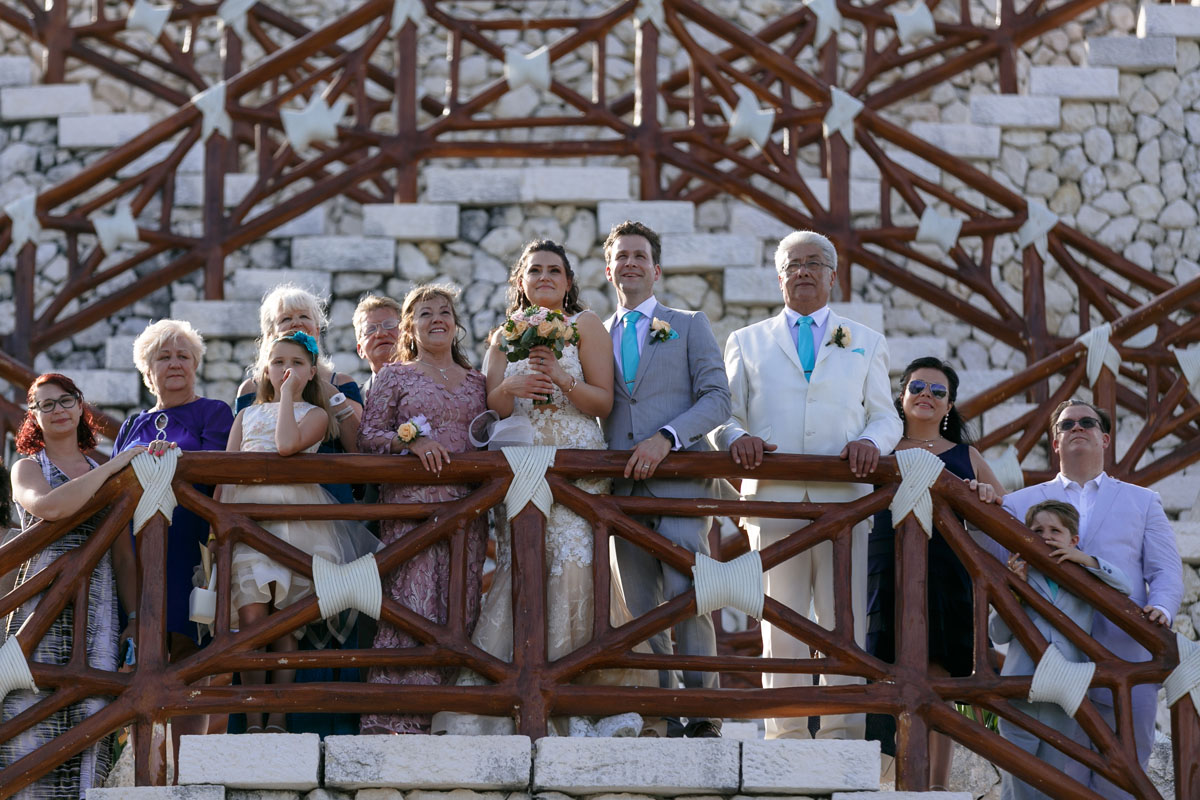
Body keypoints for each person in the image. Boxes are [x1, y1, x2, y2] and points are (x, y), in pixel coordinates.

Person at [435, 240, 649, 737]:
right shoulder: (502, 336)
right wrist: (509, 390)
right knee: (523, 567)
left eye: (556, 270)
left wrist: (560, 378)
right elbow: (492, 410)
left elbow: (603, 403)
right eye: (536, 270)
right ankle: (517, 692)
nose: (546, 277)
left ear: (569, 281)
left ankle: (578, 697)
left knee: (575, 571)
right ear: (522, 281)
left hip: (576, 471)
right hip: (521, 470)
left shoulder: (586, 326)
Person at [712, 229, 902, 740]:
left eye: (815, 263)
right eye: (793, 264)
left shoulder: (866, 341)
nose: (803, 271)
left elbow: (887, 419)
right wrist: (737, 438)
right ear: (779, 278)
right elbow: (722, 416)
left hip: (847, 502)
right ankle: (787, 735)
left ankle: (844, 732)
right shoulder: (746, 341)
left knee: (846, 622)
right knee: (781, 624)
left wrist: (871, 444)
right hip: (774, 503)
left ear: (833, 276)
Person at [997, 400, 1183, 798]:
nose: (1077, 427)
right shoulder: (1017, 503)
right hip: (1049, 662)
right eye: (1067, 424)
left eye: (1087, 422)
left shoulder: (1142, 500)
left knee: (1125, 772)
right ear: (1055, 441)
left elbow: (1165, 570)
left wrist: (1163, 609)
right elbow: (993, 575)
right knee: (1060, 780)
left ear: (1105, 437)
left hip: (1129, 655)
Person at [601, 220, 732, 739]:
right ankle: (662, 711)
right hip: (619, 491)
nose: (630, 263)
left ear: (655, 269)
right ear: (609, 270)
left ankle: (703, 713)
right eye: (620, 256)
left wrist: (667, 438)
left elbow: (717, 398)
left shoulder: (688, 323)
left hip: (679, 483)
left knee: (689, 595)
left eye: (639, 256)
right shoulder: (596, 336)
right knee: (638, 608)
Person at [1, 374, 155, 797]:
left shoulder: (103, 469)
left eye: (66, 400)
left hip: (99, 608)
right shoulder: (28, 467)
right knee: (27, 714)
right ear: (33, 416)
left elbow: (123, 555)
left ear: (80, 405)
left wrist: (136, 618)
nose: (58, 410)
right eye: (46, 405)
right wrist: (115, 468)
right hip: (41, 607)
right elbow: (50, 507)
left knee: (91, 719)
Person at [222, 331, 378, 734]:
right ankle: (253, 716)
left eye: (295, 363)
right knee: (254, 619)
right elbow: (224, 472)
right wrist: (217, 523)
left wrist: (289, 397)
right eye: (276, 362)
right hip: (248, 520)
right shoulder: (245, 415)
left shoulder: (316, 415)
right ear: (264, 369)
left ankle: (279, 714)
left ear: (311, 372)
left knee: (286, 621)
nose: (284, 369)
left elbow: (287, 445)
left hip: (296, 524)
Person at [863, 357, 1005, 785]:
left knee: (940, 674)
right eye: (918, 387)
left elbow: (1003, 517)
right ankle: (892, 780)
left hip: (946, 571)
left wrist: (981, 493)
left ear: (949, 406)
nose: (927, 395)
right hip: (883, 565)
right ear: (902, 397)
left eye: (938, 391)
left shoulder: (969, 456)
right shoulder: (878, 446)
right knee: (881, 667)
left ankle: (938, 785)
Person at [358, 285, 489, 735]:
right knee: (410, 607)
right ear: (410, 328)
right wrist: (409, 441)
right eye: (426, 313)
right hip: (410, 513)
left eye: (446, 312)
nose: (438, 319)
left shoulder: (479, 382)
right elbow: (369, 436)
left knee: (460, 607)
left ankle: (448, 716)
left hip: (468, 513)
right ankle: (395, 717)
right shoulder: (393, 376)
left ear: (456, 324)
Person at [111, 318, 234, 752]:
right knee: (143, 654)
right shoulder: (131, 426)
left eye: (183, 355)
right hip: (138, 551)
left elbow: (216, 472)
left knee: (189, 657)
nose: (175, 363)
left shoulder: (213, 412)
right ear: (147, 372)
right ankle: (145, 761)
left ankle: (184, 762)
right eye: (164, 356)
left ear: (196, 364)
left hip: (190, 548)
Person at [989, 500, 1132, 800]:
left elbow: (1124, 587)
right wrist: (1015, 591)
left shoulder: (1085, 577)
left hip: (1063, 691)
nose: (1047, 536)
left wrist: (1086, 561)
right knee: (1018, 774)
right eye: (1038, 530)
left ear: (1073, 540)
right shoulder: (1017, 575)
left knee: (1052, 775)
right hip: (1020, 689)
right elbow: (997, 633)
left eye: (1056, 530)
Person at [236, 284, 363, 483]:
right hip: (260, 484)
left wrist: (333, 396)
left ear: (317, 330)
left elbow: (360, 449)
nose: (297, 323)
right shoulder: (251, 388)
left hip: (329, 484)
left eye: (304, 317)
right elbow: (240, 447)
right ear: (270, 335)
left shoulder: (341, 383)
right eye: (286, 319)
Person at [353, 293, 402, 403]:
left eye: (389, 324)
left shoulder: (431, 388)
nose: (381, 333)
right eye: (370, 329)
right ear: (360, 350)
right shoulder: (355, 401)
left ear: (406, 335)